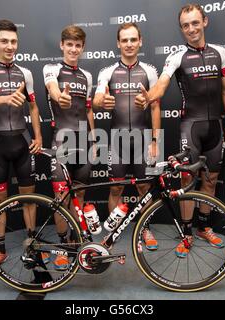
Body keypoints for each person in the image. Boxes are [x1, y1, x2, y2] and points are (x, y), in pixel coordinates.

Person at [135, 4, 225, 257]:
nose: (191, 29)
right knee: (186, 183)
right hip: (190, 127)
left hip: (216, 126)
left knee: (211, 180)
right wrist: (151, 97)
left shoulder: (220, 53)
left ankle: (204, 227)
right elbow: (162, 83)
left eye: (194, 23)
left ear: (205, 21)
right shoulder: (177, 56)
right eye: (185, 25)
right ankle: (187, 232)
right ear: (181, 29)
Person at [0, 19, 43, 275]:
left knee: (29, 198)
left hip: (23, 143)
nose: (10, 46)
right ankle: (0, 249)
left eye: (13, 41)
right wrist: (7, 98)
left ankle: (32, 244)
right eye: (4, 40)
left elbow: (33, 107)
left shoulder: (26, 73)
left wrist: (38, 136)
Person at [93, 23, 160, 250]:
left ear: (140, 41)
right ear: (118, 43)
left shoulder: (150, 70)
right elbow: (95, 100)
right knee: (116, 188)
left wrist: (155, 141)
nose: (129, 44)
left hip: (143, 139)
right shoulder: (107, 71)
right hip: (117, 140)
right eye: (125, 40)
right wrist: (102, 101)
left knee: (144, 188)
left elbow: (155, 108)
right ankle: (113, 232)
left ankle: (146, 228)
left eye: (133, 39)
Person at [43, 25, 95, 270]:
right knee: (61, 199)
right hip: (62, 142)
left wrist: (94, 140)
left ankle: (76, 244)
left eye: (78, 45)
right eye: (69, 44)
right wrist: (59, 96)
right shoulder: (51, 69)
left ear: (82, 48)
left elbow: (88, 110)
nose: (73, 49)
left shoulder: (87, 75)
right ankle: (62, 247)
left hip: (84, 143)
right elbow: (53, 89)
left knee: (80, 197)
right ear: (62, 45)